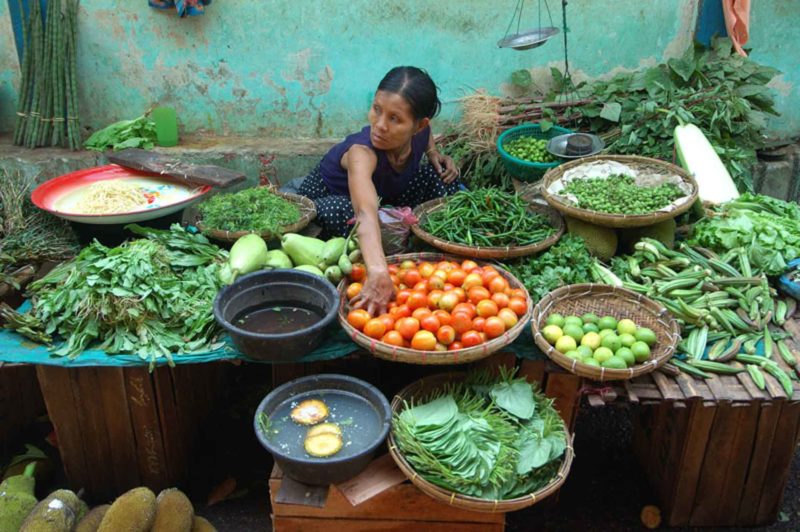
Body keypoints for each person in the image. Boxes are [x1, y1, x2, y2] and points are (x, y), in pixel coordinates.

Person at [298, 66, 461, 316]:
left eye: (395, 118)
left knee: (442, 178)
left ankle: (396, 227)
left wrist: (434, 154)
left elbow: (427, 136)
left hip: (385, 192)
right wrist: (377, 271)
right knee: (348, 214)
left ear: (418, 125)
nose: (379, 125)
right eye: (376, 110)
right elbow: (364, 211)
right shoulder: (361, 153)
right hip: (334, 196)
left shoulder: (421, 132)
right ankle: (387, 243)